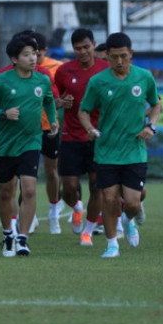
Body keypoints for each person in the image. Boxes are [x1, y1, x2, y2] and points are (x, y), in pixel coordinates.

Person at [79, 32, 160, 258]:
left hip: (134, 150)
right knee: (109, 198)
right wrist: (90, 129)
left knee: (133, 203)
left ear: (131, 54)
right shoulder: (98, 81)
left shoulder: (144, 77)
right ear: (107, 56)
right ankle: (112, 244)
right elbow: (83, 110)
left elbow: (156, 105)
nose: (120, 61)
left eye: (124, 56)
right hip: (106, 151)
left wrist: (151, 126)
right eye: (114, 57)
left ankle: (128, 220)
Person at [0, 34, 58, 257]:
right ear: (14, 58)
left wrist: (52, 121)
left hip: (31, 142)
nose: (32, 58)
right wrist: (3, 113)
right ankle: (7, 235)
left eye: (34, 53)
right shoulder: (2, 81)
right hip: (5, 145)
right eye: (26, 54)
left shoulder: (42, 79)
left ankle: (22, 239)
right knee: (6, 192)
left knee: (30, 189)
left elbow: (49, 100)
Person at [53, 28, 109, 243]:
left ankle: (88, 230)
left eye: (86, 47)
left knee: (97, 186)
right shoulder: (64, 71)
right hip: (71, 137)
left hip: (98, 138)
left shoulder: (106, 70)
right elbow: (53, 99)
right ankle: (76, 207)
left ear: (94, 45)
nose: (83, 51)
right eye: (78, 48)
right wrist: (60, 103)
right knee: (68, 188)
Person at [35, 32, 64, 233]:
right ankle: (29, 214)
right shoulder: (18, 69)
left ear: (44, 50)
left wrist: (59, 105)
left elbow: (62, 96)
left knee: (51, 171)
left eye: (36, 52)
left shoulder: (57, 68)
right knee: (24, 174)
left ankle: (54, 210)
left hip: (49, 128)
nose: (31, 56)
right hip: (26, 129)